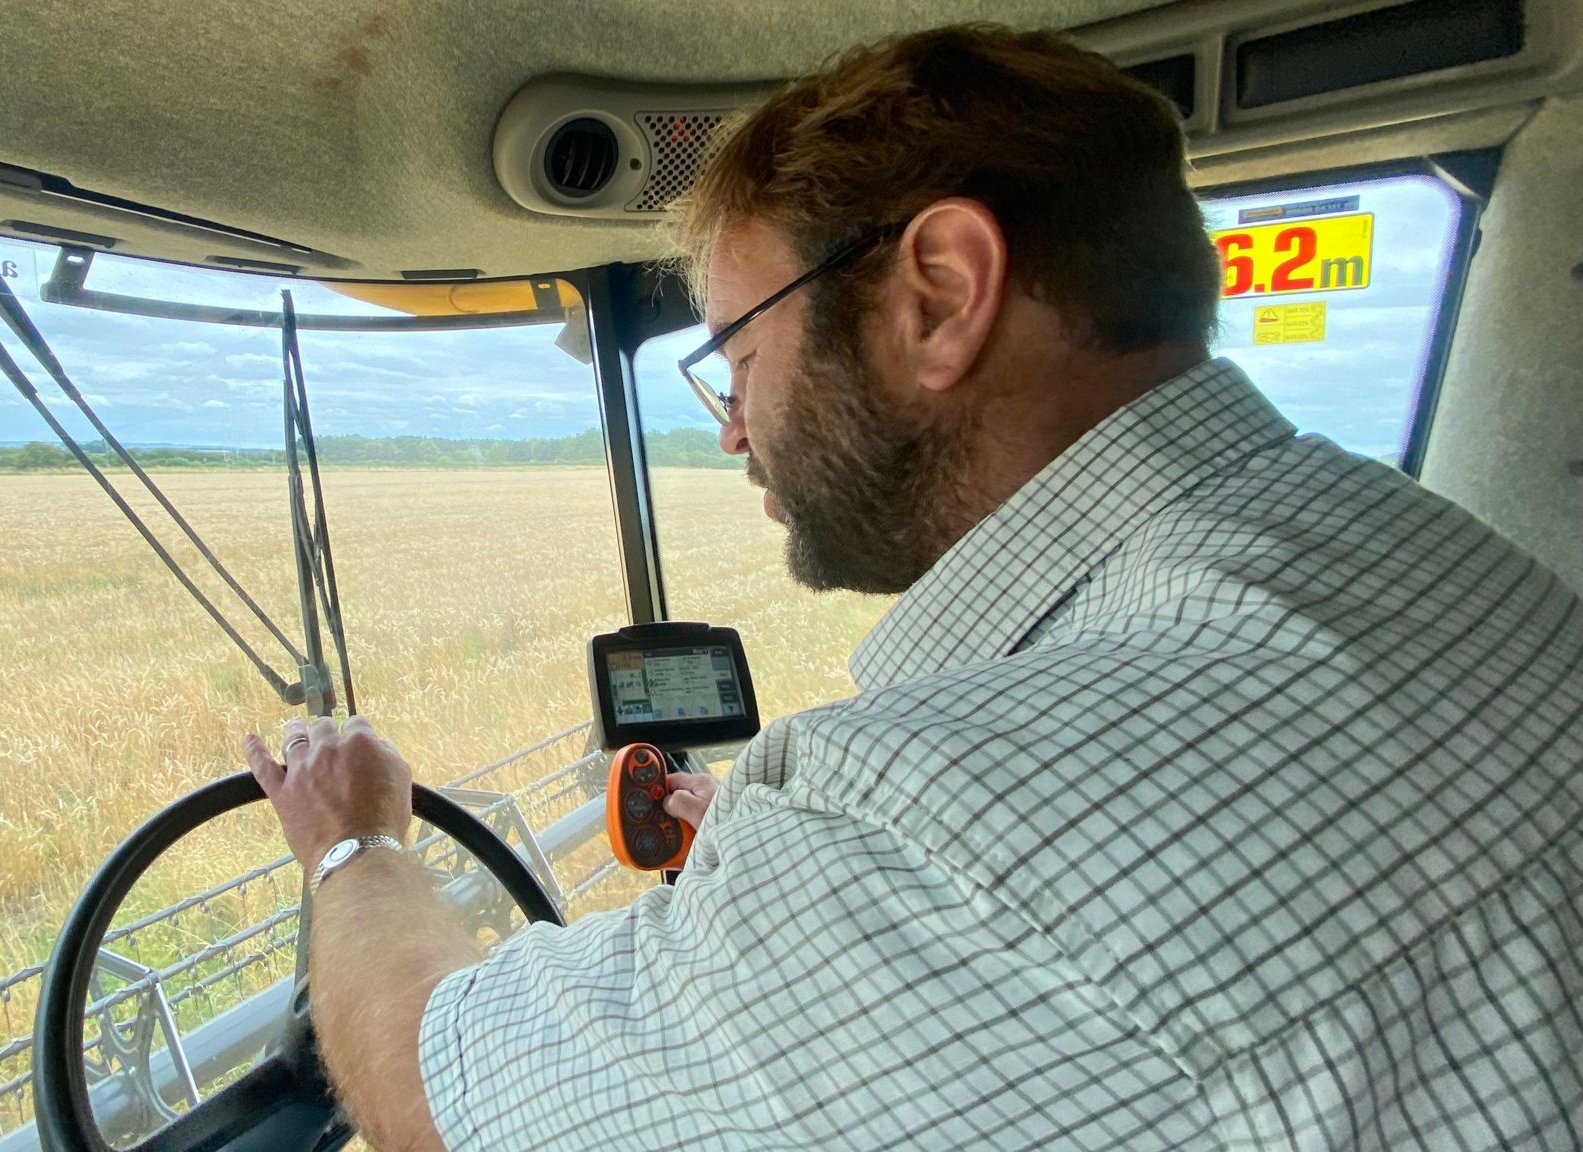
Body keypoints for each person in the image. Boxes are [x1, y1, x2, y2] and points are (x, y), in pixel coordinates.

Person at [246, 24, 1583, 1152]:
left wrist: (354, 842)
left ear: (938, 296)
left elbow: (438, 1093)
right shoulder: (1424, 553)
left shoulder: (923, 826)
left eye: (741, 354)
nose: (730, 426)